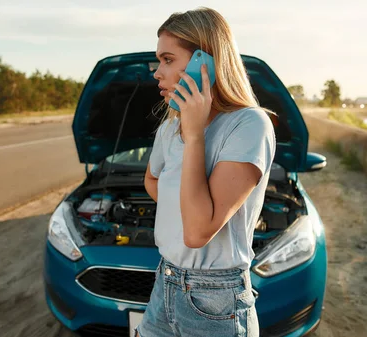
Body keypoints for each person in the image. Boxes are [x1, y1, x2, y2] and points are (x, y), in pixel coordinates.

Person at [137, 6, 277, 337]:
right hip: (165, 282)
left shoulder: (248, 124)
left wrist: (195, 134)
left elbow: (197, 233)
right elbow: (151, 179)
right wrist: (180, 206)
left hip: (216, 300)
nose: (157, 72)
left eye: (168, 60)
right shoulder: (169, 129)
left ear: (207, 61)